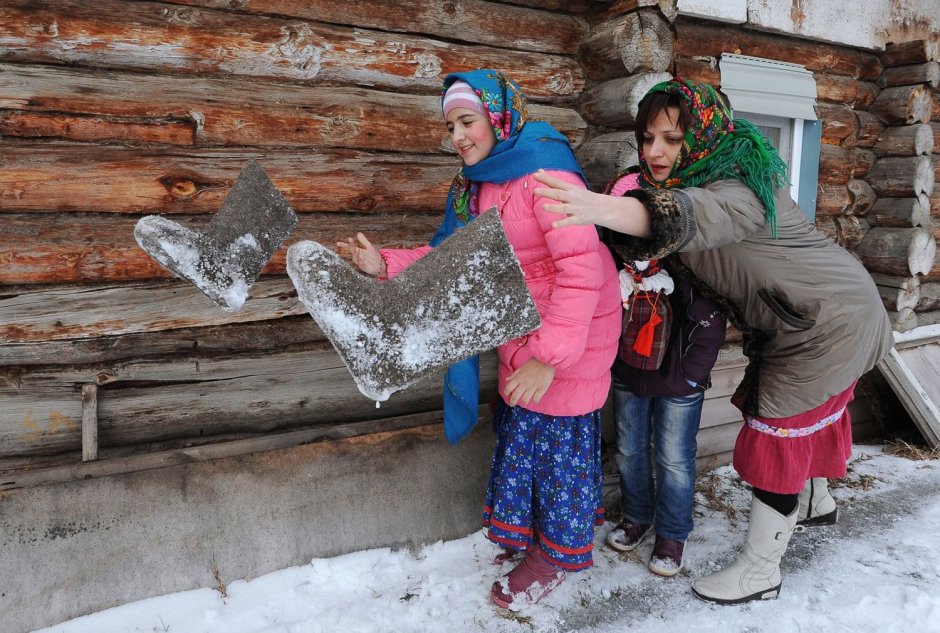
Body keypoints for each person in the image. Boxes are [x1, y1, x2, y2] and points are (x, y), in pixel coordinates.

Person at [532, 77, 893, 605]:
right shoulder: (705, 174)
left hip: (826, 324)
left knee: (777, 431)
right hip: (817, 314)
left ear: (701, 136)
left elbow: (688, 215)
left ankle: (758, 571)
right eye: (648, 137)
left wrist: (596, 208)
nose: (655, 152)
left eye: (672, 140)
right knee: (807, 414)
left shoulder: (739, 187)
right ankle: (814, 501)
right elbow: (659, 224)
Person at [337, 69, 621, 609]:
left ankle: (558, 555)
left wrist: (548, 359)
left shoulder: (546, 176)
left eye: (467, 121)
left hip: (569, 340)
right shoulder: (482, 185)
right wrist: (384, 264)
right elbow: (453, 261)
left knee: (557, 452)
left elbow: (582, 271)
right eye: (451, 126)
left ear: (497, 116)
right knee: (524, 441)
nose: (459, 136)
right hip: (524, 336)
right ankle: (532, 538)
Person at [604, 179, 726, 577]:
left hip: (677, 378)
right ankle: (637, 516)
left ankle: (672, 532)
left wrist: (692, 375)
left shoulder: (683, 261)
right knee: (630, 450)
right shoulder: (614, 261)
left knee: (673, 458)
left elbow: (709, 321)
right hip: (628, 371)